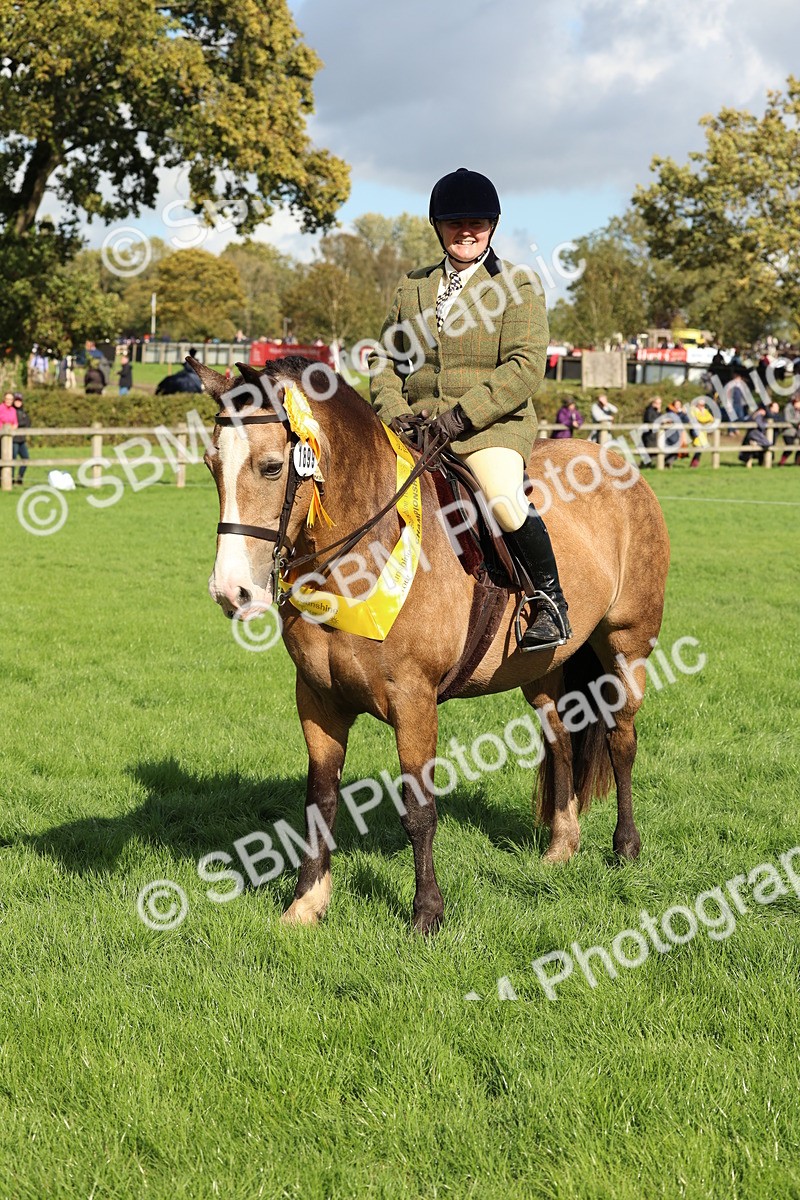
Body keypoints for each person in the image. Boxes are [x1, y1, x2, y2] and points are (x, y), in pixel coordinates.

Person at [368, 166, 568, 650]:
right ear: (438, 227)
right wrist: (395, 413)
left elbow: (523, 366)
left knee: (501, 495)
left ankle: (549, 601)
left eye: (477, 222)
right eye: (456, 222)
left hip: (488, 428)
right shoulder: (412, 286)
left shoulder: (518, 284)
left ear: (492, 226)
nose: (467, 231)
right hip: (413, 429)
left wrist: (459, 417)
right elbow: (384, 359)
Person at [739, 400, 780, 467]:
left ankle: (756, 445)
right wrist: (767, 425)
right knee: (767, 443)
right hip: (756, 435)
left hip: (755, 435)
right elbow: (761, 425)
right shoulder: (758, 415)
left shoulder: (756, 414)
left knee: (766, 444)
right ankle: (756, 445)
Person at [11, 393, 31, 484]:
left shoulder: (24, 412)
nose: (18, 402)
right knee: (12, 460)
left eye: (19, 401)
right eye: (16, 400)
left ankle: (20, 477)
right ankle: (10, 479)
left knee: (26, 458)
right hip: (13, 440)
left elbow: (27, 423)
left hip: (21, 440)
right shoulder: (11, 412)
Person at [778, 394, 800, 466]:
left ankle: (797, 463)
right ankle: (781, 463)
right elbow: (788, 419)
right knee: (789, 448)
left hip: (797, 432)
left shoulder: (798, 409)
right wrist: (797, 423)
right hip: (788, 432)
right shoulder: (788, 408)